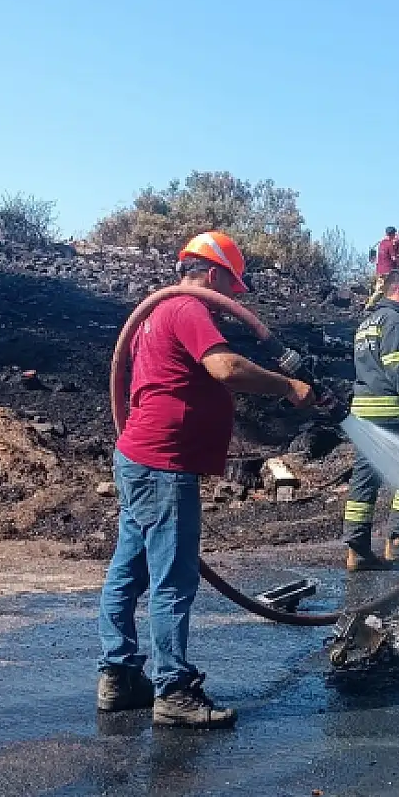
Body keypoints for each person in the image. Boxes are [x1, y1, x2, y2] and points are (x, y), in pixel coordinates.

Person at [99, 232, 314, 729]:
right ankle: (173, 689)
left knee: (128, 572)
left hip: (139, 457)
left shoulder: (155, 313)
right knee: (173, 579)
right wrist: (287, 386)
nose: (229, 301)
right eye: (230, 288)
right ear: (213, 275)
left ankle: (118, 676)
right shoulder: (188, 309)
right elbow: (225, 367)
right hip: (164, 463)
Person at [345, 271, 399, 569]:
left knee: (364, 481)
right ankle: (398, 539)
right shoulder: (395, 323)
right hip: (393, 412)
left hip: (364, 413)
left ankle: (356, 550)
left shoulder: (367, 323)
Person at [367, 226, 398, 308]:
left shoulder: (380, 243)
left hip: (379, 270)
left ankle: (376, 304)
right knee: (383, 289)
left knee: (380, 288)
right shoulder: (390, 244)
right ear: (393, 234)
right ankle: (370, 305)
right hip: (388, 270)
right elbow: (393, 258)